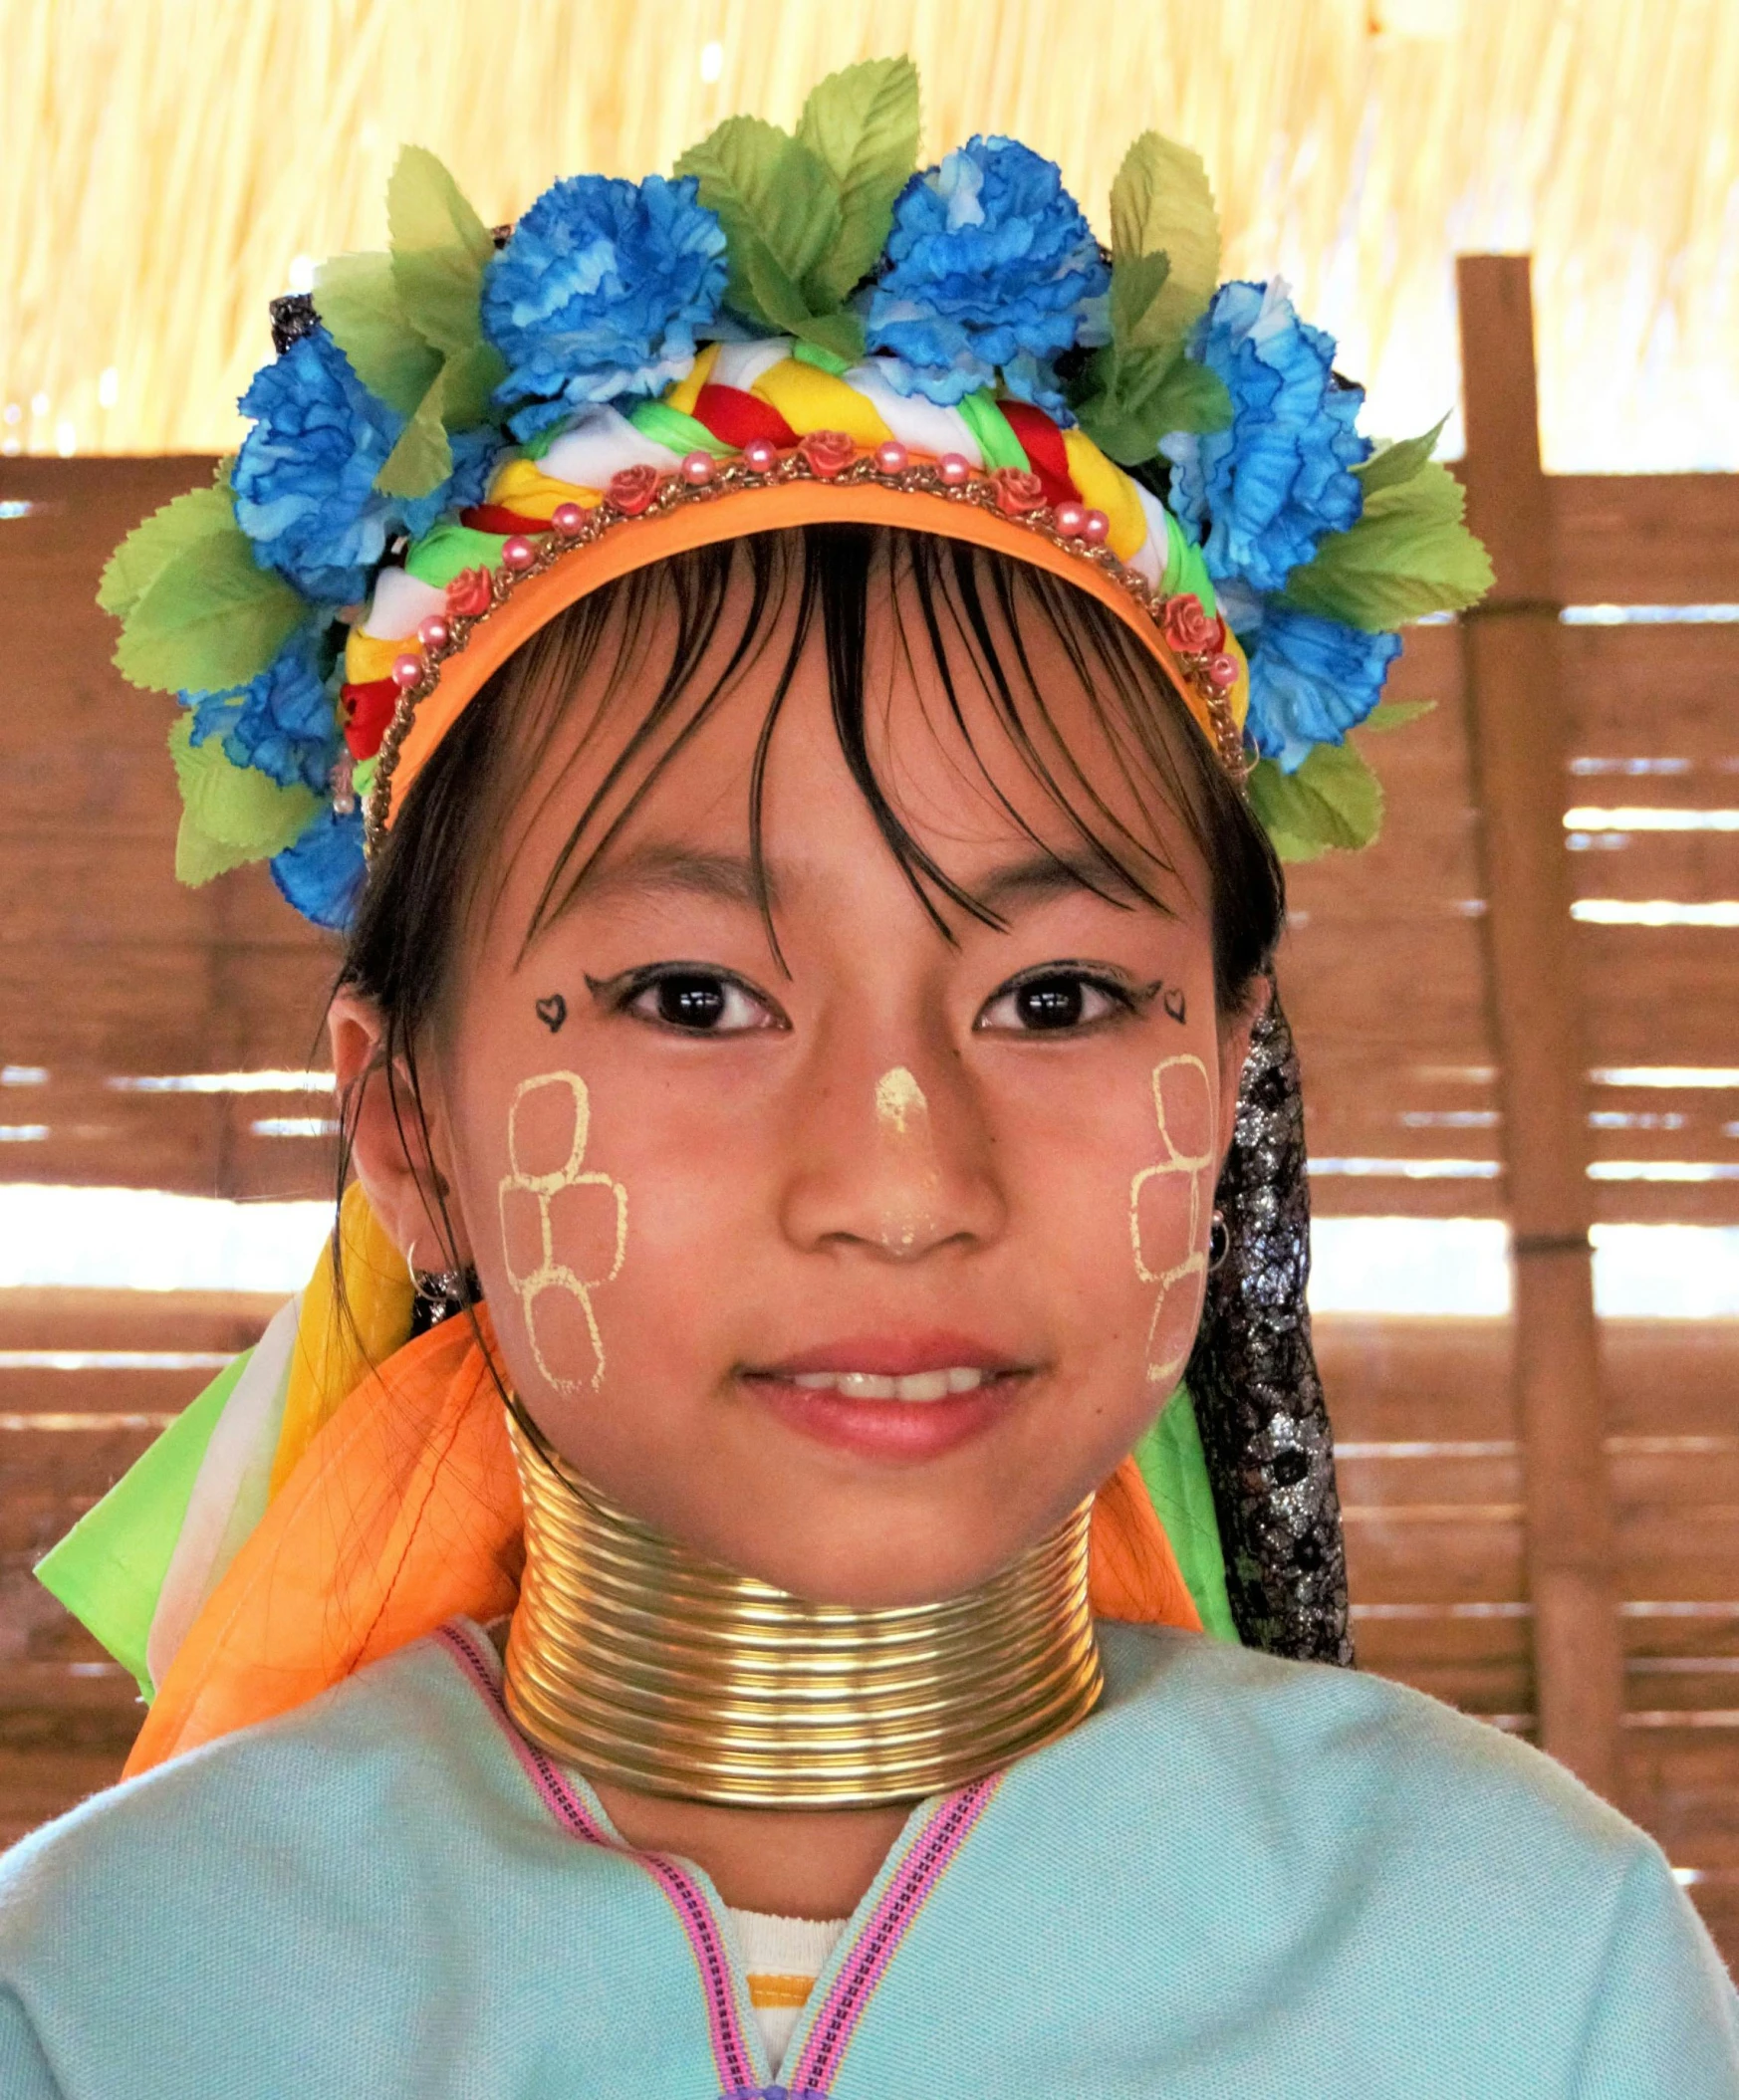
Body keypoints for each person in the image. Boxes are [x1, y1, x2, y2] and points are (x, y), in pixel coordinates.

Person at [6, 57, 1735, 2098]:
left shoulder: (1525, 1975)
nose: (902, 1181)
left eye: (1064, 1000)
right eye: (693, 997)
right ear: (411, 1132)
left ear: (1232, 1066)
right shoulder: (113, 1999)